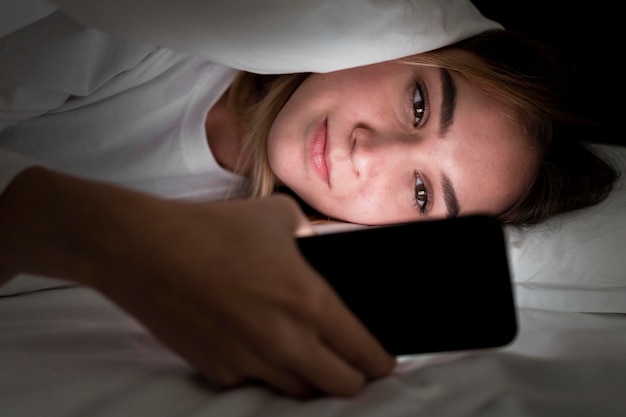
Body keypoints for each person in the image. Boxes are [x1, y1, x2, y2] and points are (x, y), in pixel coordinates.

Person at [0, 0, 619, 399]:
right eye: (420, 105)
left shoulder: (245, 238)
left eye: (423, 193)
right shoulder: (147, 44)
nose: (368, 153)